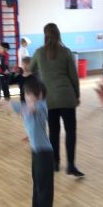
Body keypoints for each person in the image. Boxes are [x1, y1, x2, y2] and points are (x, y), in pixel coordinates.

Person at [31, 23, 84, 177]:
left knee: (53, 132)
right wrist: (77, 95)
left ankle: (55, 163)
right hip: (67, 97)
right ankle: (71, 165)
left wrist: (39, 82)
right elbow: (74, 77)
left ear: (45, 35)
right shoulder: (66, 52)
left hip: (49, 100)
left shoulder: (39, 52)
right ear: (58, 34)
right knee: (70, 131)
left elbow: (31, 69)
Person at [10, 76, 54, 207]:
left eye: (29, 94)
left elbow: (28, 109)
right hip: (36, 152)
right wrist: (3, 102)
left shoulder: (41, 106)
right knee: (37, 183)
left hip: (44, 153)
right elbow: (23, 109)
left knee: (43, 185)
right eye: (25, 94)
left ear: (39, 95)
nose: (26, 97)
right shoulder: (29, 106)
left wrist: (9, 104)